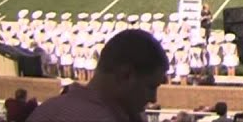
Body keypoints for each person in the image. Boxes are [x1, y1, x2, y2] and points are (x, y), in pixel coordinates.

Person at [27, 29, 169, 122]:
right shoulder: (102, 117)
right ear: (125, 75)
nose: (153, 98)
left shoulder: (48, 108)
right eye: (151, 87)